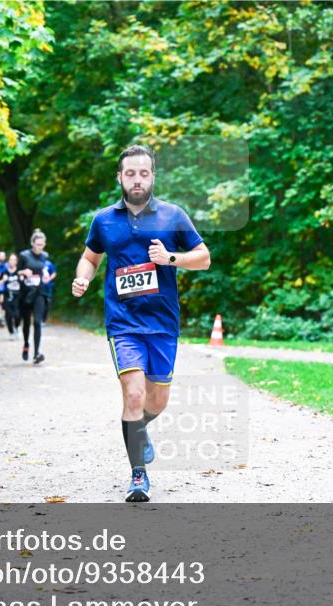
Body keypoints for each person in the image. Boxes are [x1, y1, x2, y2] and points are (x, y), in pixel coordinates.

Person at [71, 144, 211, 502]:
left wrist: (170, 258)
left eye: (144, 173)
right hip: (123, 322)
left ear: (153, 176)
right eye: (130, 173)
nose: (137, 179)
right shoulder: (104, 220)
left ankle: (139, 430)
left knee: (156, 402)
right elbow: (90, 257)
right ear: (119, 177)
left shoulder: (173, 216)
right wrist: (83, 277)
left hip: (163, 322)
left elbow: (204, 258)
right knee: (133, 394)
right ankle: (138, 475)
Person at [18, 230, 51, 364]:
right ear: (32, 243)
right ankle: (26, 344)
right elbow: (16, 272)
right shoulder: (24, 255)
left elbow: (44, 269)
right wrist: (23, 272)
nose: (40, 247)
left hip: (39, 292)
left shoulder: (44, 255)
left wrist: (46, 274)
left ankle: (37, 353)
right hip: (26, 293)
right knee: (26, 322)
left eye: (42, 245)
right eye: (37, 244)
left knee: (37, 322)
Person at [0, 253, 22, 338]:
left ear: (16, 261)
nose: (12, 261)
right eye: (11, 260)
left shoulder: (19, 271)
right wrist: (3, 280)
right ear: (8, 261)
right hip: (7, 296)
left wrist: (22, 279)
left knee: (17, 315)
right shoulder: (4, 272)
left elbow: (25, 283)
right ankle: (11, 332)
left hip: (18, 297)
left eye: (14, 260)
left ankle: (17, 327)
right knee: (9, 315)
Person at [42, 257, 57, 324]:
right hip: (38, 287)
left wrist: (49, 279)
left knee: (47, 304)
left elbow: (54, 273)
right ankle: (38, 319)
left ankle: (43, 320)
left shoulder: (48, 263)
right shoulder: (35, 263)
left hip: (48, 287)